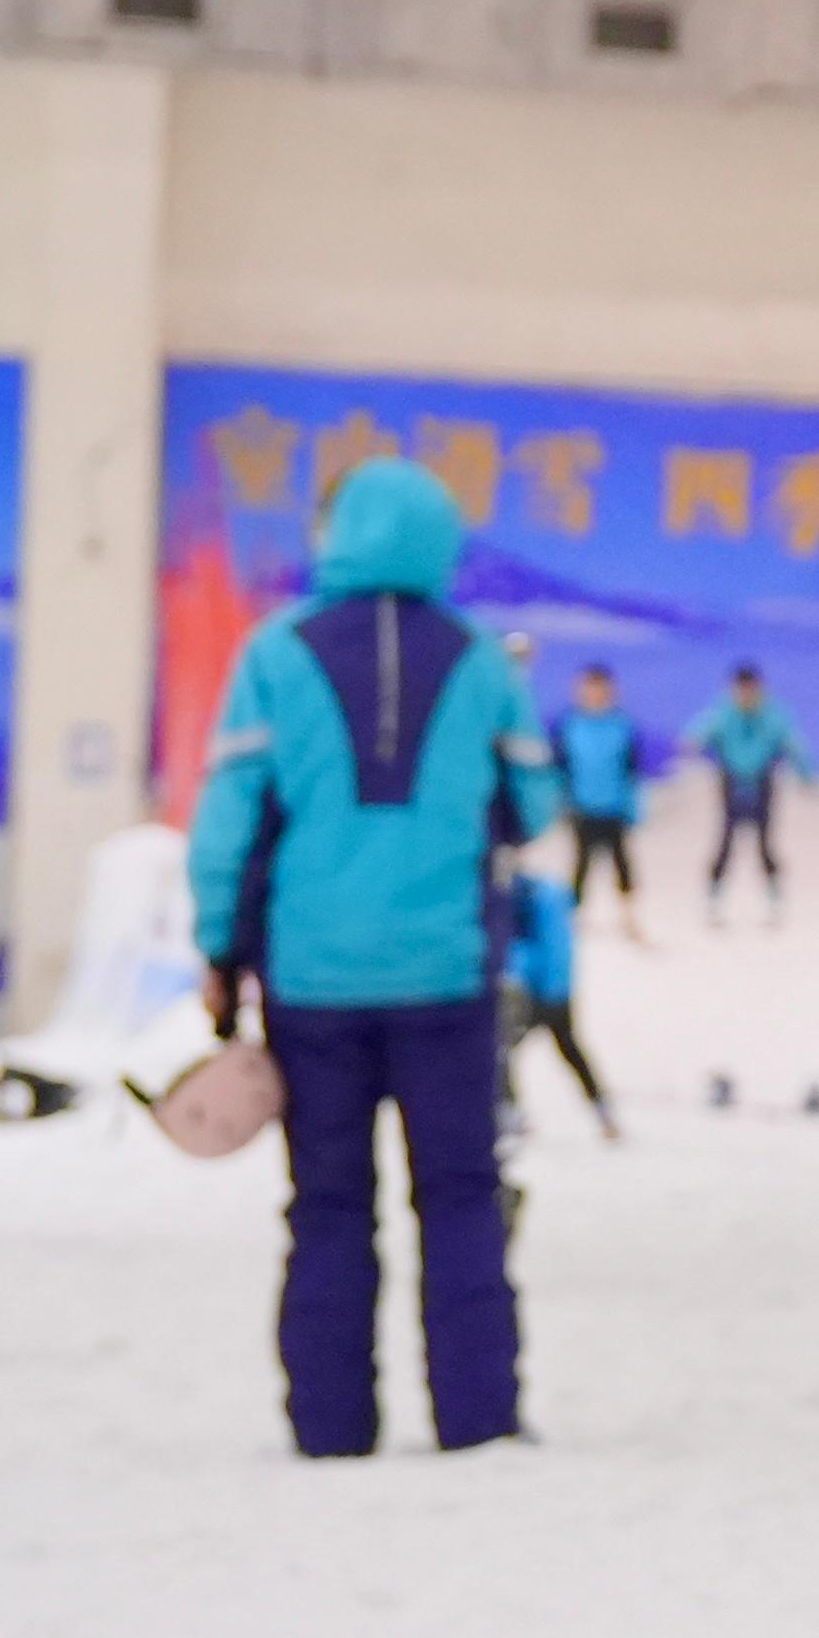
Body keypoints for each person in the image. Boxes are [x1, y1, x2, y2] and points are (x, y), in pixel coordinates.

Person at [188, 455, 533, 1458]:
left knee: (330, 1204)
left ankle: (331, 1425)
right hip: (447, 974)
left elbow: (229, 821)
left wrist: (220, 945)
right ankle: (478, 1418)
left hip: (313, 980)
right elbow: (533, 805)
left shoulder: (274, 652)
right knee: (462, 1194)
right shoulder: (480, 658)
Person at [496, 840, 621, 1141]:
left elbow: (533, 949)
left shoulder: (524, 899)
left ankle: (514, 1113)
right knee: (567, 1048)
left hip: (532, 990)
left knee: (504, 1051)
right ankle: (600, 1107)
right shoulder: (547, 893)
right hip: (556, 989)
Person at [545, 662, 652, 930]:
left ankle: (629, 915)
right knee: (581, 862)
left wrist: (634, 805)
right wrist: (559, 802)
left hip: (614, 806)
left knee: (621, 861)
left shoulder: (622, 726)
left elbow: (631, 770)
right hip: (581, 807)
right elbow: (560, 768)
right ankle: (574, 915)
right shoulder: (569, 725)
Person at [691, 664, 798, 925]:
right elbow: (696, 736)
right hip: (731, 783)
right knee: (726, 843)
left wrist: (807, 773)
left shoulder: (773, 715)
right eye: (742, 689)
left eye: (751, 689)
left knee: (765, 844)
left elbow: (794, 743)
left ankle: (775, 902)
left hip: (762, 784)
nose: (747, 695)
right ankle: (713, 902)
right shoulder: (722, 713)